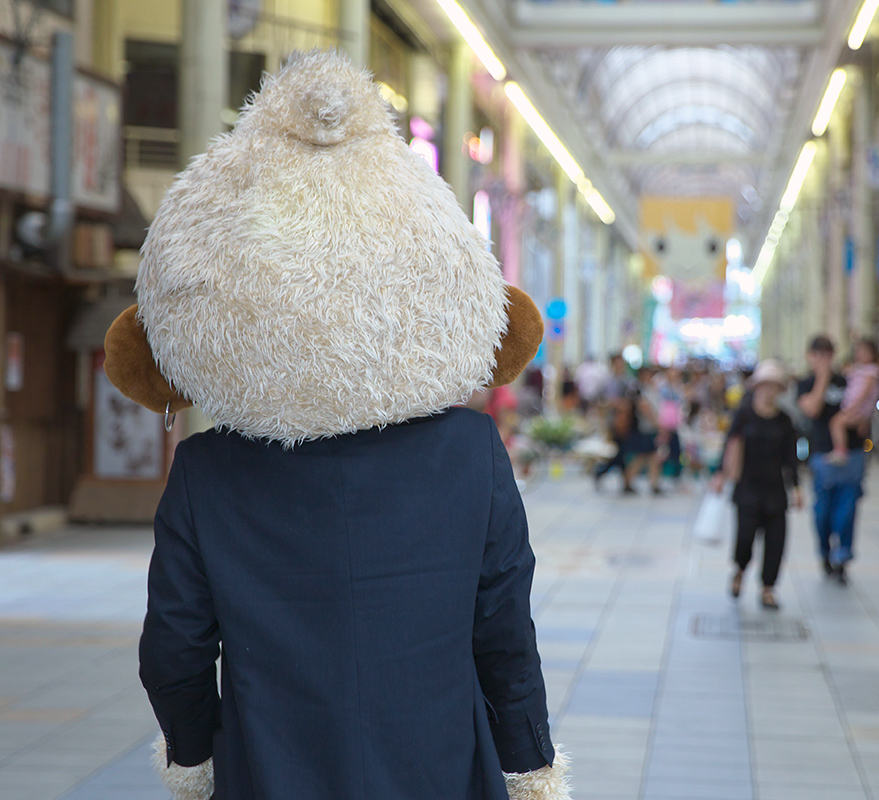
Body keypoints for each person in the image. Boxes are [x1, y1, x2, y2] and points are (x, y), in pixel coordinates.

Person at [107, 52, 567, 799]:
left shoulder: (207, 470)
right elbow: (504, 636)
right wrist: (528, 766)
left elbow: (175, 649)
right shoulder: (470, 453)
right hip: (440, 768)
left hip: (270, 771)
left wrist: (194, 758)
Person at [713, 359, 801, 610]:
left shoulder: (784, 420)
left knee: (776, 543)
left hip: (775, 489)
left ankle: (768, 589)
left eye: (774, 386)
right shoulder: (744, 415)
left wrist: (796, 486)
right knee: (744, 538)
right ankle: (739, 571)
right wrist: (720, 474)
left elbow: (790, 456)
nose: (768, 391)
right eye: (765, 386)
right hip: (747, 488)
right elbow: (729, 444)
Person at [797, 335, 865, 584]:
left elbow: (861, 410)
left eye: (828, 354)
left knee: (847, 510)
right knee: (823, 511)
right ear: (810, 356)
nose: (824, 360)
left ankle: (843, 557)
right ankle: (825, 552)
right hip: (822, 454)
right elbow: (812, 409)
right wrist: (823, 378)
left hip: (852, 455)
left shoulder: (847, 381)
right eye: (818, 354)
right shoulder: (805, 384)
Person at [828, 339, 879, 464]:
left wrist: (854, 407)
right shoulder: (859, 369)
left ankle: (840, 451)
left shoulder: (872, 371)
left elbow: (865, 392)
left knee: (836, 423)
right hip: (855, 406)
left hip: (858, 407)